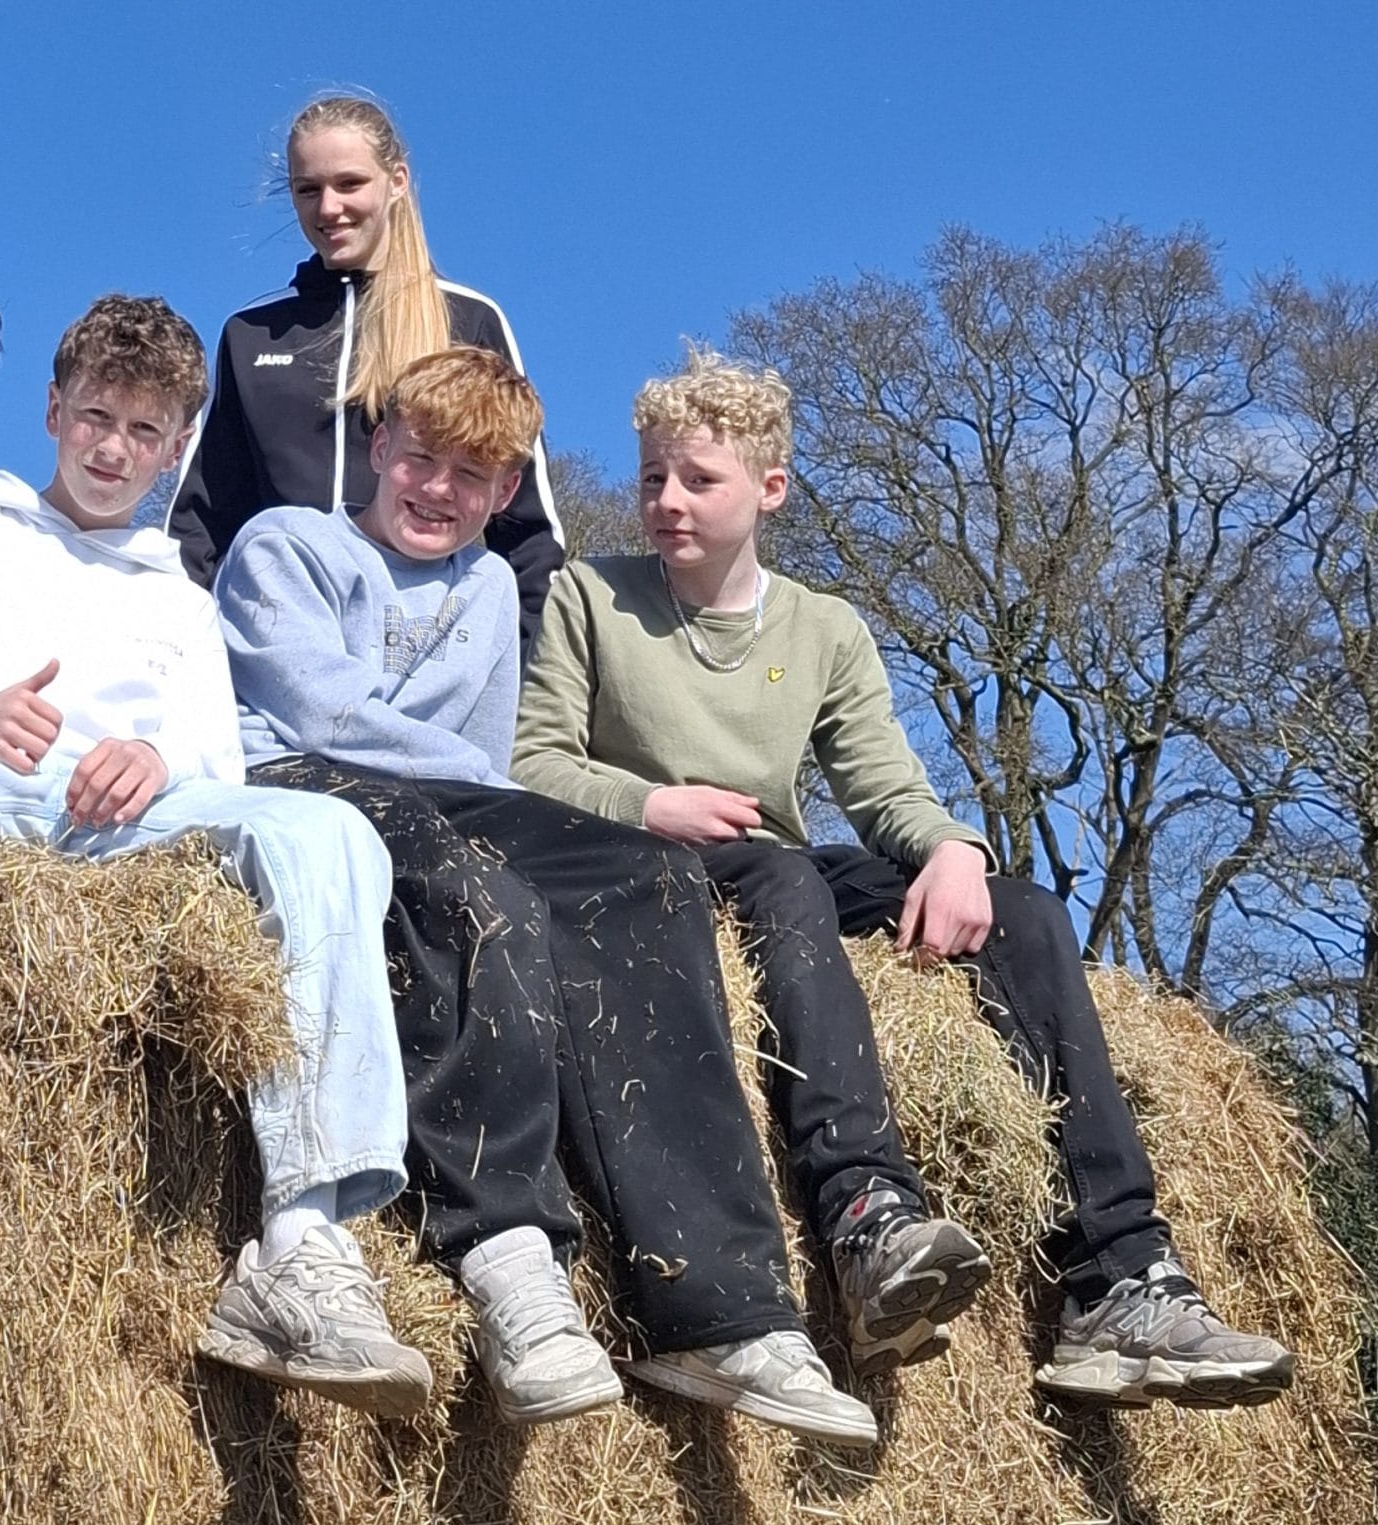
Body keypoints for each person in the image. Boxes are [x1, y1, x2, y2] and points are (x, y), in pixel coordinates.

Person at [512, 346, 1297, 1410]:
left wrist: (952, 853)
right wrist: (651, 804)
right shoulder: (586, 597)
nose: (664, 500)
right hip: (639, 865)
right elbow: (532, 762)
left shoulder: (825, 629)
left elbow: (883, 785)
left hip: (772, 856)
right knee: (786, 875)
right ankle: (866, 1210)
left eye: (697, 479)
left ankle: (1117, 1278)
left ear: (769, 489)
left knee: (1021, 910)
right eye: (652, 476)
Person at [0, 294, 432, 1417]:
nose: (114, 450)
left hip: (117, 828)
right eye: (94, 419)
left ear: (178, 446)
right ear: (51, 411)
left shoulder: (177, 599)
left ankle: (304, 1242)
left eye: (143, 432)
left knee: (328, 829)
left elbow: (219, 766)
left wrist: (152, 759)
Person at [215, 345, 872, 1442]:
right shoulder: (290, 544)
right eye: (420, 459)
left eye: (473, 477)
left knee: (649, 874)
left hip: (442, 797)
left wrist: (548, 829)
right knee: (485, 893)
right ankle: (507, 1255)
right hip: (300, 785)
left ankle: (722, 1306)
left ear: (507, 491)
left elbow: (480, 758)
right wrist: (493, 819)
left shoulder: (482, 588)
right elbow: (320, 717)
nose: (438, 490)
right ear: (377, 447)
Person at [168, 94, 563, 651]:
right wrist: (178, 665)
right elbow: (200, 524)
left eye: (350, 184)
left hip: (428, 655)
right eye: (308, 189)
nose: (329, 208)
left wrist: (524, 686)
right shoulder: (251, 334)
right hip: (274, 654)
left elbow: (526, 529)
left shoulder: (469, 320)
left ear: (396, 180)